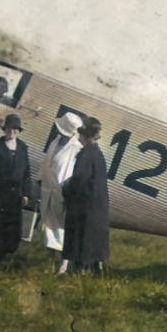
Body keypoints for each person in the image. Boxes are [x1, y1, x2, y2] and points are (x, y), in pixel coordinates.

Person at [0, 113, 32, 268]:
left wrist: (26, 193)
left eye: (16, 129)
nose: (12, 132)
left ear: (19, 131)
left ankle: (0, 259)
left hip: (14, 196)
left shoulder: (22, 148)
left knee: (10, 228)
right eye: (10, 128)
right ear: (5, 129)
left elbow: (26, 173)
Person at [62, 116, 110, 276]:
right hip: (97, 205)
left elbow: (79, 179)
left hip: (85, 205)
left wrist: (66, 191)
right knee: (94, 240)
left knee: (80, 238)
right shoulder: (97, 153)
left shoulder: (86, 154)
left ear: (85, 136)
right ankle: (96, 269)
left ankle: (80, 270)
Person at [39, 112, 84, 274]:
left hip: (62, 192)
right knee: (48, 226)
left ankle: (63, 264)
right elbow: (46, 163)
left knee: (61, 228)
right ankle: (51, 261)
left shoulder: (77, 148)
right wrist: (40, 179)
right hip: (48, 189)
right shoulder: (56, 141)